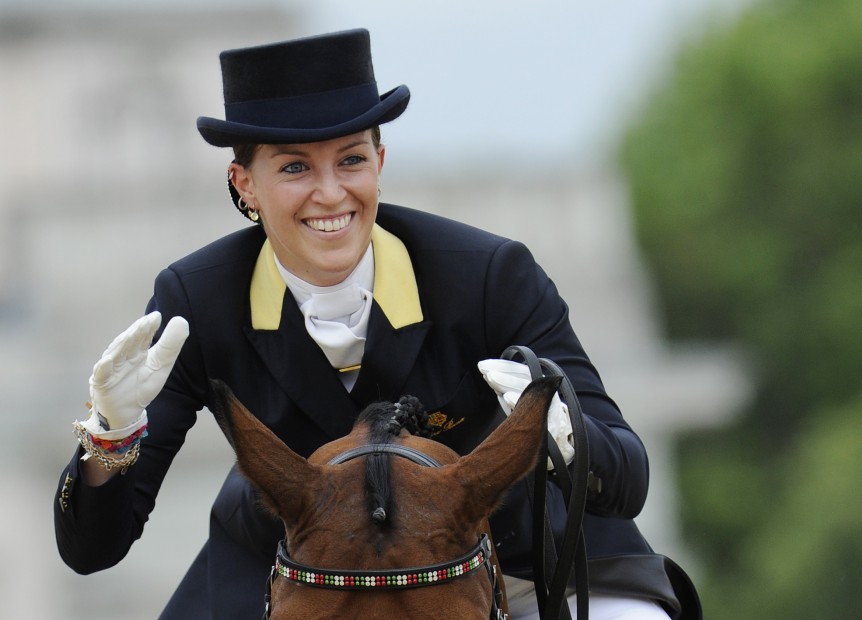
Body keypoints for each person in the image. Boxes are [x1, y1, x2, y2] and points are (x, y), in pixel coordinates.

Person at [54, 28, 699, 619]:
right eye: (295, 167)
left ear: (381, 162)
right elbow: (93, 549)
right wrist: (112, 437)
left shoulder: (489, 275)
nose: (331, 194)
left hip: (505, 556)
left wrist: (564, 433)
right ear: (244, 182)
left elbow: (628, 476)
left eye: (351, 160)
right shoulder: (196, 299)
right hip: (297, 569)